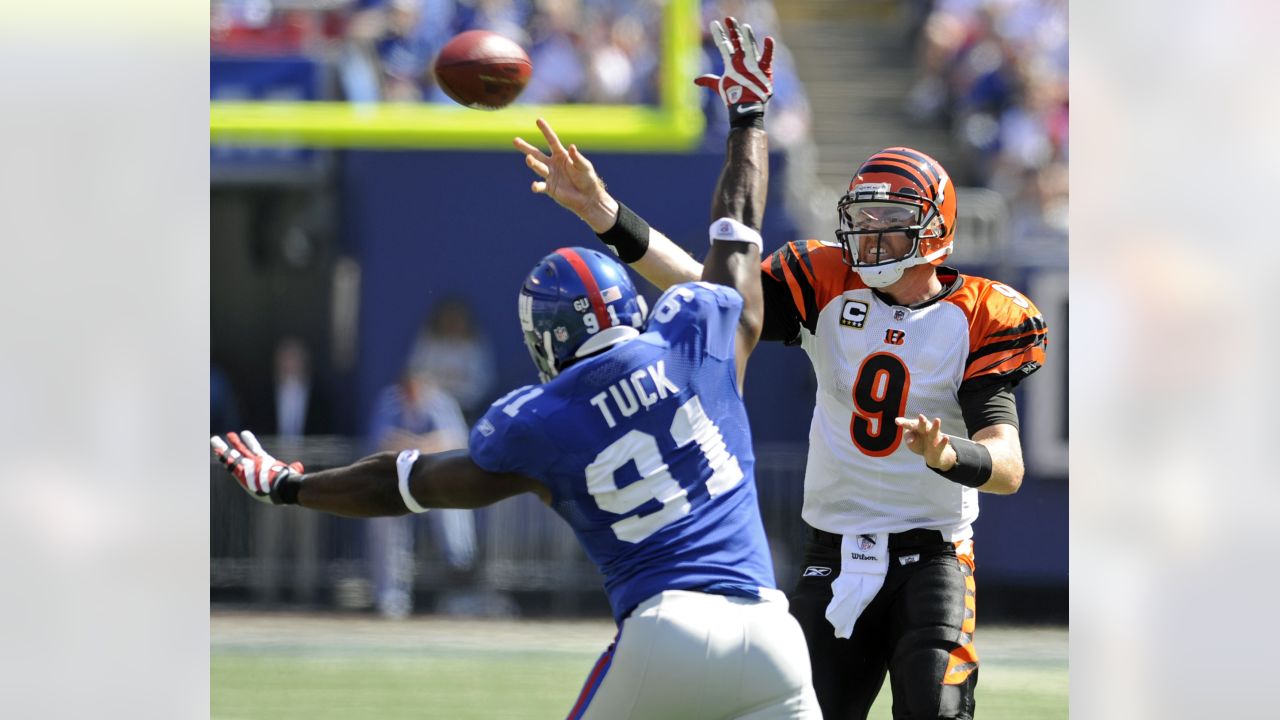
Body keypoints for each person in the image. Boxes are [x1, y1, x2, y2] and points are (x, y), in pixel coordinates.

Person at [212, 25, 820, 714]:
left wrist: (290, 484)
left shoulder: (541, 419)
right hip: (772, 630)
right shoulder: (695, 338)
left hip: (666, 628)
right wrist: (748, 116)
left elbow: (403, 482)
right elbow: (737, 223)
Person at [516, 15, 1049, 720]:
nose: (868, 233)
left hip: (935, 558)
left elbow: (1007, 466)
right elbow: (711, 295)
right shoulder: (826, 281)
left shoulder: (983, 312)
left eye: (891, 221)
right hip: (832, 555)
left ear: (934, 232)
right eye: (864, 216)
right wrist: (606, 215)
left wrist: (950, 453)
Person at [364, 362, 475, 619]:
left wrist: (415, 444)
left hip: (436, 483)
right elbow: (383, 440)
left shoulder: (440, 403)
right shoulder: (389, 401)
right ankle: (391, 597)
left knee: (455, 512)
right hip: (397, 484)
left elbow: (456, 440)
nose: (413, 394)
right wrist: (426, 445)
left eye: (417, 389)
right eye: (409, 389)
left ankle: (460, 584)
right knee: (384, 519)